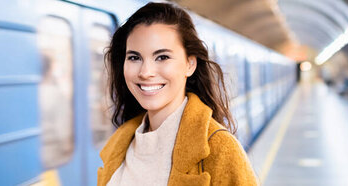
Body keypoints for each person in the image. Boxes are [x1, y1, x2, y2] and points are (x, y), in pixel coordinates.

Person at [97, 2, 258, 186]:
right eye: (134, 57)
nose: (145, 72)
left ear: (190, 64)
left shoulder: (220, 149)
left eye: (162, 57)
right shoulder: (118, 147)